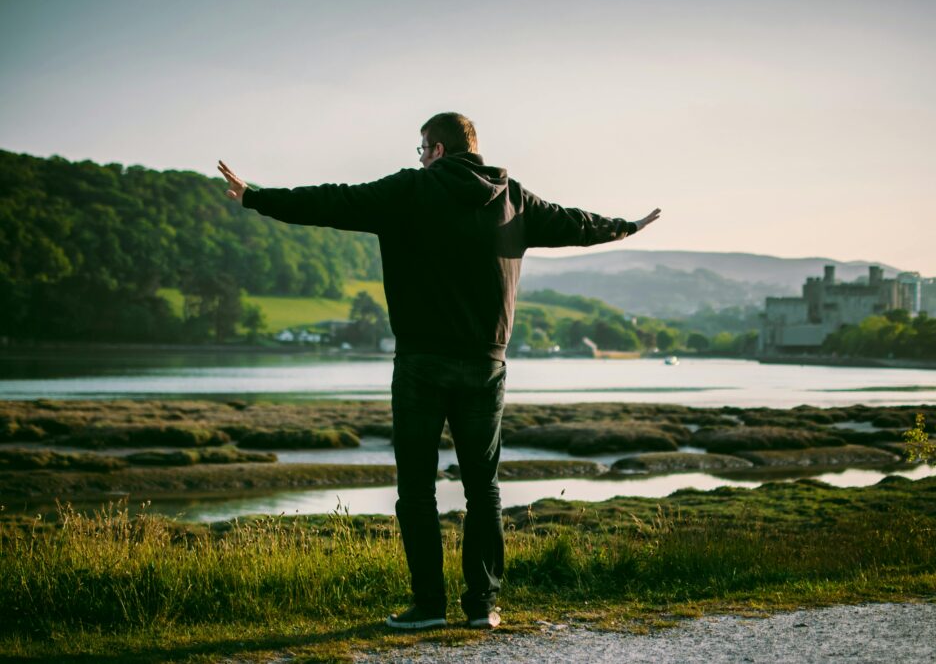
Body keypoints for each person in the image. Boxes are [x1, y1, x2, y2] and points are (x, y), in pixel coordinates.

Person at [218, 112, 659, 630]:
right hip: (485, 365)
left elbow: (331, 201)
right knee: (484, 489)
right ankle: (483, 608)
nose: (420, 158)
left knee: (417, 490)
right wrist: (625, 226)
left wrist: (256, 197)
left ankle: (429, 607)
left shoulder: (409, 190)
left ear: (439, 150)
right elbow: (576, 223)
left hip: (422, 364)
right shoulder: (514, 198)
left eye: (422, 149)